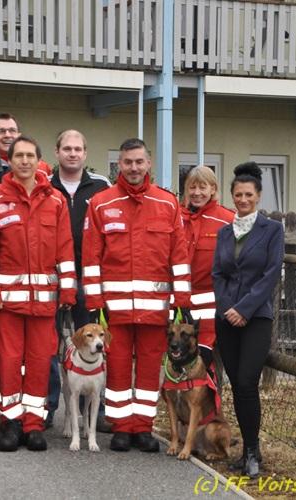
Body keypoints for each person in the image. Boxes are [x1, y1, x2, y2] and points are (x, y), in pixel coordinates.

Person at [82, 138, 191, 453]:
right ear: (119, 164)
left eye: (139, 162)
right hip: (114, 310)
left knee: (148, 367)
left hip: (155, 309)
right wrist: (94, 303)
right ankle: (121, 428)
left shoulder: (167, 204)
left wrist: (182, 302)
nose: (133, 168)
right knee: (117, 366)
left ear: (149, 163)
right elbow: (91, 256)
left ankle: (142, 427)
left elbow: (179, 256)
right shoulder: (101, 203)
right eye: (127, 162)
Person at [0, 135, 76, 452]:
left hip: (44, 303)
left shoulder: (55, 200)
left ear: (39, 160)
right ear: (9, 160)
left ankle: (33, 424)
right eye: (19, 155)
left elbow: (65, 248)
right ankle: (11, 423)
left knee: (39, 362)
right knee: (10, 362)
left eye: (30, 155)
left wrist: (68, 288)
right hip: (7, 304)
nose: (25, 161)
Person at [212, 162, 284, 478]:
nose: (243, 200)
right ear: (232, 196)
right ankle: (245, 453)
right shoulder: (225, 232)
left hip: (256, 317)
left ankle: (253, 451)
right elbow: (218, 273)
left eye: (248, 195)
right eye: (238, 195)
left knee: (246, 382)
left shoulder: (272, 230)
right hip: (226, 318)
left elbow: (271, 273)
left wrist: (245, 309)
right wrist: (228, 307)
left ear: (258, 196)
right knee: (236, 385)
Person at [45, 129, 111, 430]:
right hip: (53, 279)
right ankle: (48, 407)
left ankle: (95, 411)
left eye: (77, 149)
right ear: (57, 152)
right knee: (49, 346)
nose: (72, 153)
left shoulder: (101, 186)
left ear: (85, 153)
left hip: (89, 280)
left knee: (94, 343)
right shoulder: (45, 186)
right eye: (67, 149)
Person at [179, 166, 234, 372]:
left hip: (210, 307)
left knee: (203, 362)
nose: (197, 193)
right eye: (192, 187)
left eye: (203, 187)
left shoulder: (227, 220)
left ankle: (208, 393)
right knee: (174, 361)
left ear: (213, 189)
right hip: (177, 304)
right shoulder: (175, 217)